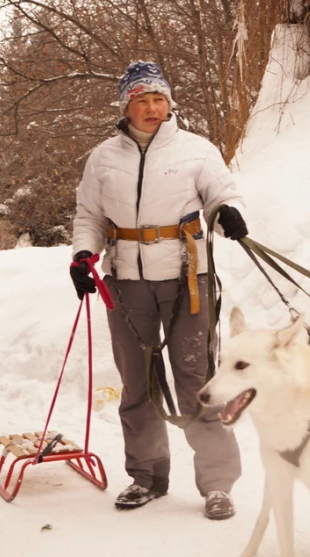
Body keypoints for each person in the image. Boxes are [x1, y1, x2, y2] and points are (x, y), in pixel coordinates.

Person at [68, 61, 248, 520]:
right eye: (141, 100)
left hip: (189, 280)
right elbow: (88, 215)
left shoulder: (196, 150)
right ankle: (147, 477)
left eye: (159, 99)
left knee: (197, 382)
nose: (151, 108)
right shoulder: (103, 158)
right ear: (126, 105)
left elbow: (223, 191)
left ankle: (218, 485)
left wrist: (227, 211)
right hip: (127, 283)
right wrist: (82, 254)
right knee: (138, 384)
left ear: (170, 104)